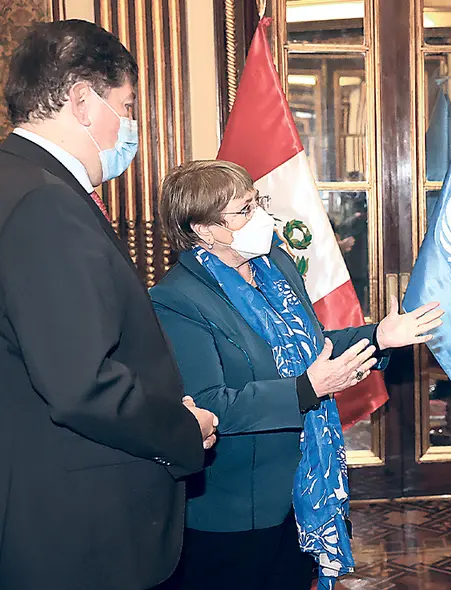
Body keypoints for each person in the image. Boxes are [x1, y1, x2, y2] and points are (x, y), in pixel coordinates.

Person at [151, 160, 444, 590]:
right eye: (244, 210)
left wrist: (380, 335)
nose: (262, 218)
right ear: (204, 229)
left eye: (258, 202)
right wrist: (308, 389)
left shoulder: (276, 266)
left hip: (306, 488)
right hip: (238, 509)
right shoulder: (177, 299)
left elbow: (314, 347)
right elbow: (212, 405)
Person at [0, 20, 217, 590]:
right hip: (78, 527)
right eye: (125, 104)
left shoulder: (17, 182)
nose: (130, 125)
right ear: (81, 100)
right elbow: (80, 384)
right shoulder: (45, 205)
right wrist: (181, 428)